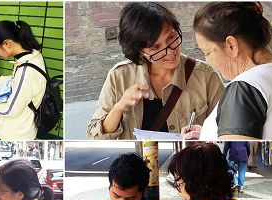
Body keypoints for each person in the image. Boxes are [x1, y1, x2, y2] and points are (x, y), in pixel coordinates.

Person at [86, 3, 223, 140]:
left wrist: (206, 135)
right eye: (155, 48)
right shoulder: (119, 77)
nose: (170, 52)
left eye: (171, 38)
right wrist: (120, 107)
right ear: (140, 51)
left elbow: (229, 130)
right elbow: (95, 138)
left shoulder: (206, 76)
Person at [183, 2, 272, 140]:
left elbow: (235, 156)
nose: (208, 61)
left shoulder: (243, 89)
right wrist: (212, 132)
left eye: (207, 52)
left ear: (231, 45)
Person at [0, 20, 47, 140]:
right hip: (22, 128)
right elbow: (22, 82)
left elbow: (11, 110)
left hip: (14, 134)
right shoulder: (33, 55)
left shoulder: (26, 71)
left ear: (7, 44)